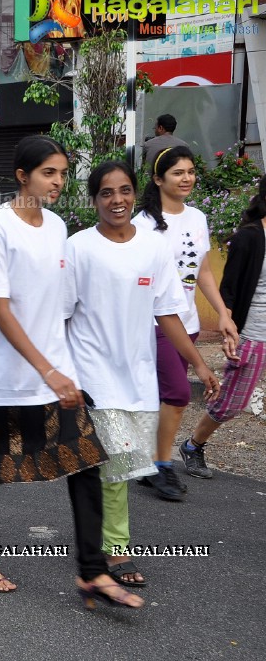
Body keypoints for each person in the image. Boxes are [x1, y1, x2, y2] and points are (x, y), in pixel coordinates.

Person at [0, 135, 142, 609]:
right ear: (22, 176)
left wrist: (66, 367)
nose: (58, 181)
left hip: (51, 376)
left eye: (62, 172)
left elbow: (60, 304)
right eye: (49, 172)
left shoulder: (55, 226)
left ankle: (92, 571)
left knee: (87, 462)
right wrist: (48, 368)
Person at [65, 161, 218, 588]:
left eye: (125, 191)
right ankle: (116, 549)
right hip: (92, 371)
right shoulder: (78, 247)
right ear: (93, 199)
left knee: (123, 462)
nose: (118, 200)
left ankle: (94, 537)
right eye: (107, 193)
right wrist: (59, 372)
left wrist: (200, 363)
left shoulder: (152, 247)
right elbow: (59, 313)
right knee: (117, 459)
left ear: (135, 194)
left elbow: (166, 311)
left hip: (137, 373)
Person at [133, 146, 239, 501]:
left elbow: (203, 272)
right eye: (178, 172)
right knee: (178, 394)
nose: (187, 178)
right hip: (156, 324)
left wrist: (223, 314)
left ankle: (148, 463)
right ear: (158, 178)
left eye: (191, 171)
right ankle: (161, 466)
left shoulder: (196, 217)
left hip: (189, 321)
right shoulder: (142, 224)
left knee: (163, 396)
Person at [181, 176, 266, 478]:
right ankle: (193, 445)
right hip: (253, 334)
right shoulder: (249, 237)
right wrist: (228, 327)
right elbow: (228, 289)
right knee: (232, 404)